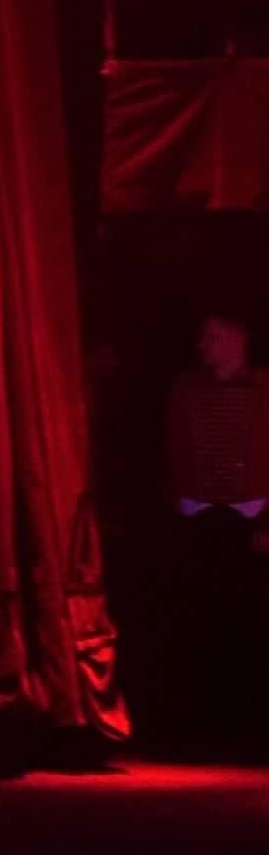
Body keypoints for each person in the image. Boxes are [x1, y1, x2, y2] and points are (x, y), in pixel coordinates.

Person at [160, 311, 268, 748]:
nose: (203, 345)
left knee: (247, 623)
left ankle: (245, 726)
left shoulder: (263, 389)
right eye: (202, 337)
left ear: (237, 340)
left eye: (213, 337)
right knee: (199, 622)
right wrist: (178, 505)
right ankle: (201, 725)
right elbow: (172, 451)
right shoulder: (186, 389)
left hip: (250, 517)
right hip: (198, 515)